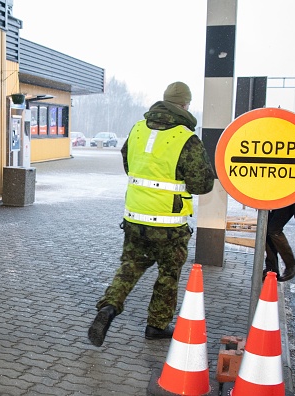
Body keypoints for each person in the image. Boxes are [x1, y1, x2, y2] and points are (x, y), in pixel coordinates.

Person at [88, 82, 215, 347]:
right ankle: (156, 325)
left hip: (135, 219)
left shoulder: (137, 129)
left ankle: (109, 307)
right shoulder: (186, 138)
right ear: (184, 105)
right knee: (168, 274)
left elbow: (128, 164)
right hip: (170, 226)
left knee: (130, 266)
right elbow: (201, 185)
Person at [263, 195, 295, 282]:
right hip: (281, 197)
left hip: (291, 199)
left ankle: (291, 265)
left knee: (274, 230)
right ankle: (271, 268)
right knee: (267, 230)